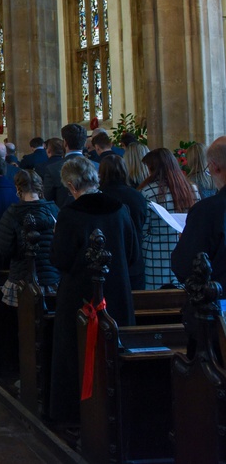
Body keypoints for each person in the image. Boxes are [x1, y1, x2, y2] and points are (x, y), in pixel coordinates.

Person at [49, 157, 137, 424]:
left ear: (73, 185)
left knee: (74, 354)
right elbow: (132, 254)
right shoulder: (120, 210)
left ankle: (76, 413)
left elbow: (60, 259)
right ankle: (119, 410)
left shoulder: (70, 214)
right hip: (117, 293)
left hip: (79, 296)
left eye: (68, 187)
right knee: (115, 350)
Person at [0, 169, 60, 306]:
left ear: (18, 188)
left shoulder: (12, 214)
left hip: (21, 279)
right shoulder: (54, 210)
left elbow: (5, 249)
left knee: (25, 322)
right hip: (52, 278)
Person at [138, 148, 198, 289]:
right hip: (185, 251)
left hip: (156, 257)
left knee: (157, 301)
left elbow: (144, 228)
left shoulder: (148, 192)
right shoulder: (192, 189)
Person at [172, 137, 226, 283]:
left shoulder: (207, 211)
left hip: (218, 299)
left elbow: (185, 267)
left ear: (214, 167)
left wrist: (186, 239)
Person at [98, 155, 148, 290]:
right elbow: (142, 222)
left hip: (106, 260)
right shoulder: (137, 195)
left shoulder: (99, 196)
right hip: (134, 259)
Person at [41, 124, 96, 209]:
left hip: (64, 218)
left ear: (65, 143)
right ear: (84, 142)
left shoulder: (53, 169)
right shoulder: (97, 166)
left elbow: (47, 199)